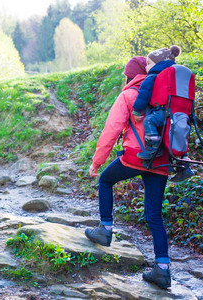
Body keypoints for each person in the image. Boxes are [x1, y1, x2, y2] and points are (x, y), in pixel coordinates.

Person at [84, 56, 172, 289]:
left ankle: (105, 229)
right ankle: (162, 270)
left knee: (105, 180)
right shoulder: (164, 93)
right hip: (162, 159)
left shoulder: (129, 95)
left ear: (129, 75)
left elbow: (111, 131)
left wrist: (96, 162)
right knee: (154, 215)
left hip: (136, 156)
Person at [132, 46, 193, 182]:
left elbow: (144, 92)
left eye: (148, 64)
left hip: (165, 111)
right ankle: (184, 164)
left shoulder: (154, 74)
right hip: (182, 114)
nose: (146, 68)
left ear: (158, 63)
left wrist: (136, 110)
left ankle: (153, 149)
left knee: (149, 121)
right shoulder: (176, 75)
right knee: (178, 136)